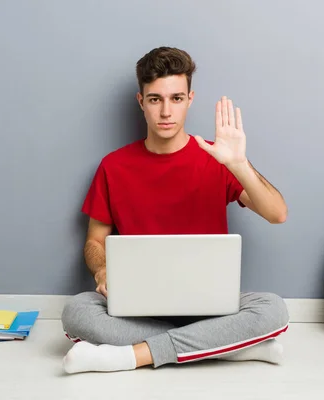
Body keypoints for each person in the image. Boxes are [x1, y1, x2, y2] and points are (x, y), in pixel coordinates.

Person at [61, 47, 290, 374]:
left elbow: (277, 213)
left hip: (209, 308)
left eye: (176, 98)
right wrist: (101, 271)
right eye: (155, 99)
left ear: (190, 99)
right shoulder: (113, 167)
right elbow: (94, 242)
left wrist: (239, 164)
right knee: (77, 311)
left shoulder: (218, 158)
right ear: (141, 102)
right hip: (136, 307)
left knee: (273, 309)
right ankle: (225, 348)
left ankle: (131, 356)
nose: (166, 111)